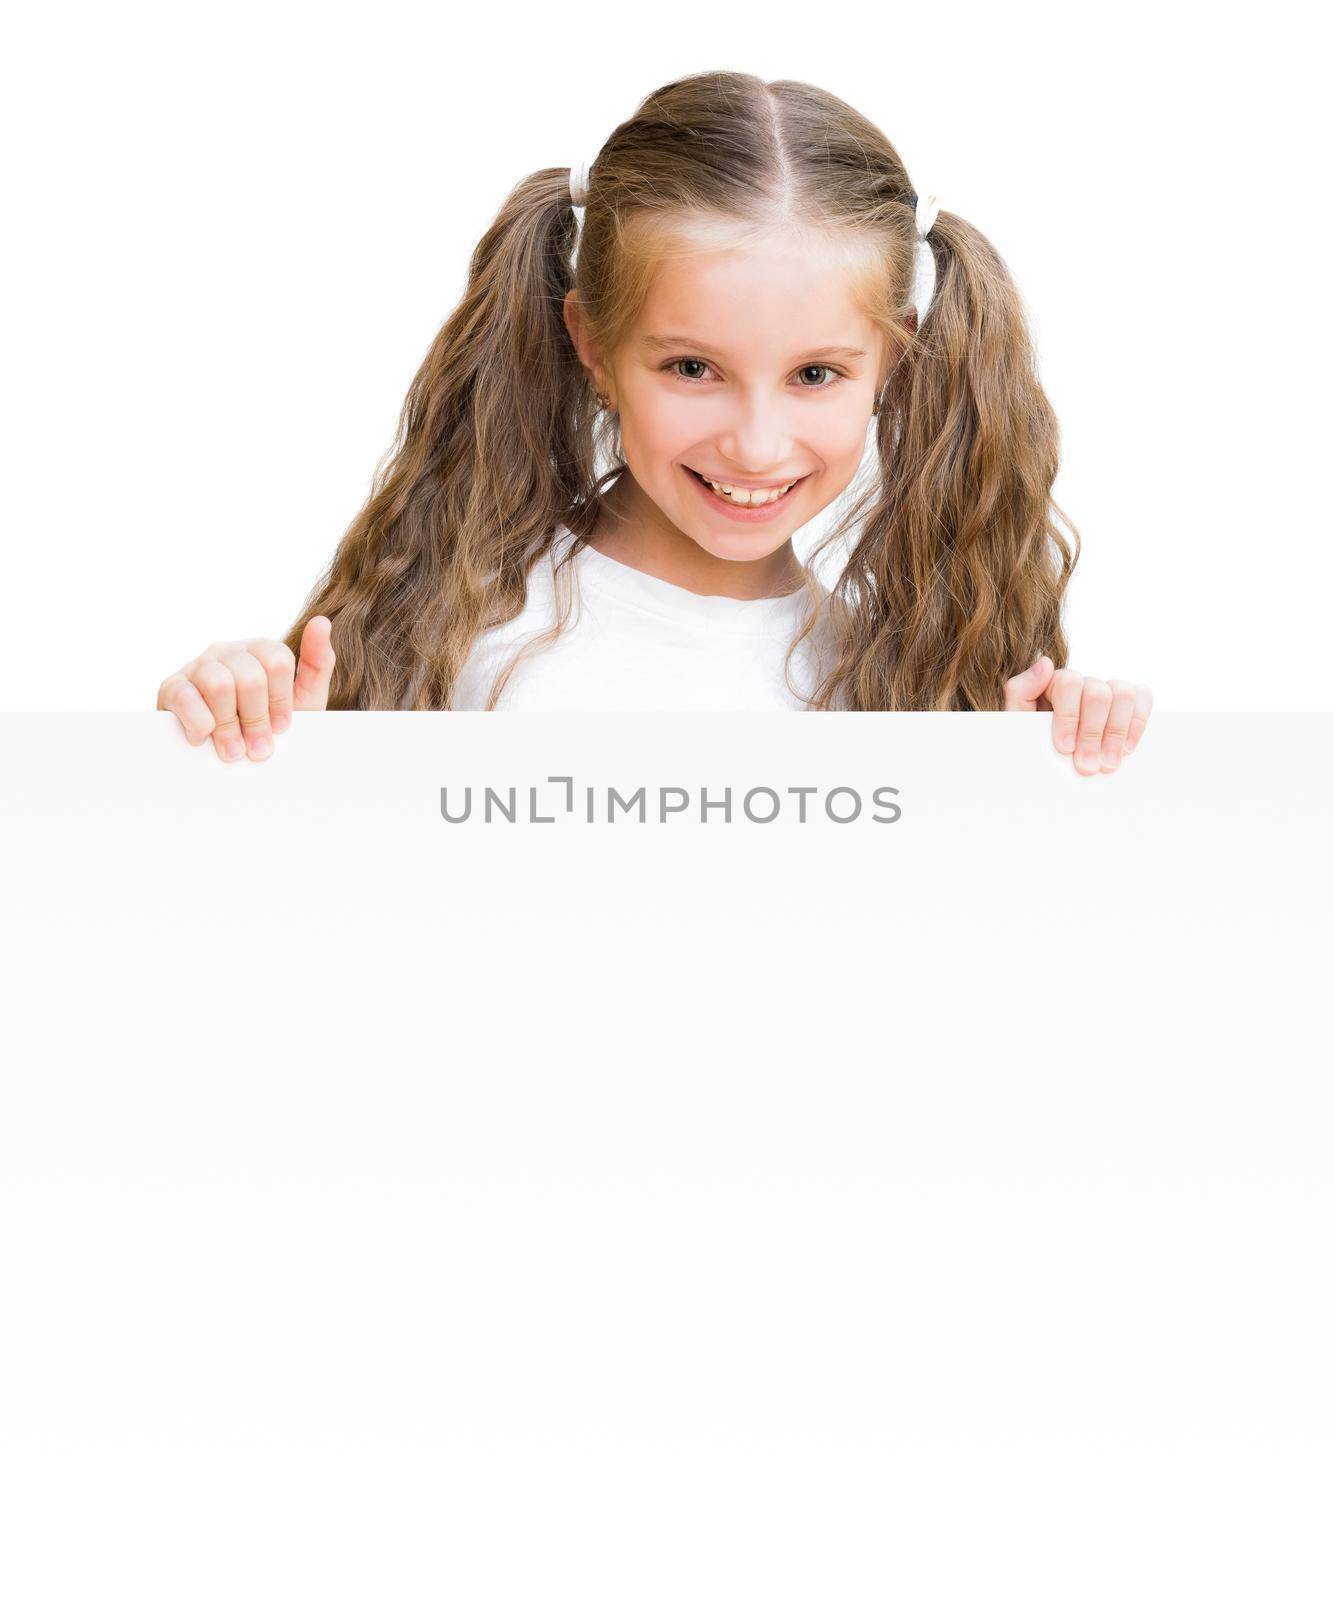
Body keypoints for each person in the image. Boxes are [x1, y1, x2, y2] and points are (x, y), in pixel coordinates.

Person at [155, 70, 1152, 775]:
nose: (757, 443)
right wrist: (230, 728)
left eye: (814, 373)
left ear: (891, 358)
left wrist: (1044, 779)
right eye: (691, 368)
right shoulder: (438, 637)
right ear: (590, 341)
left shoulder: (908, 689)